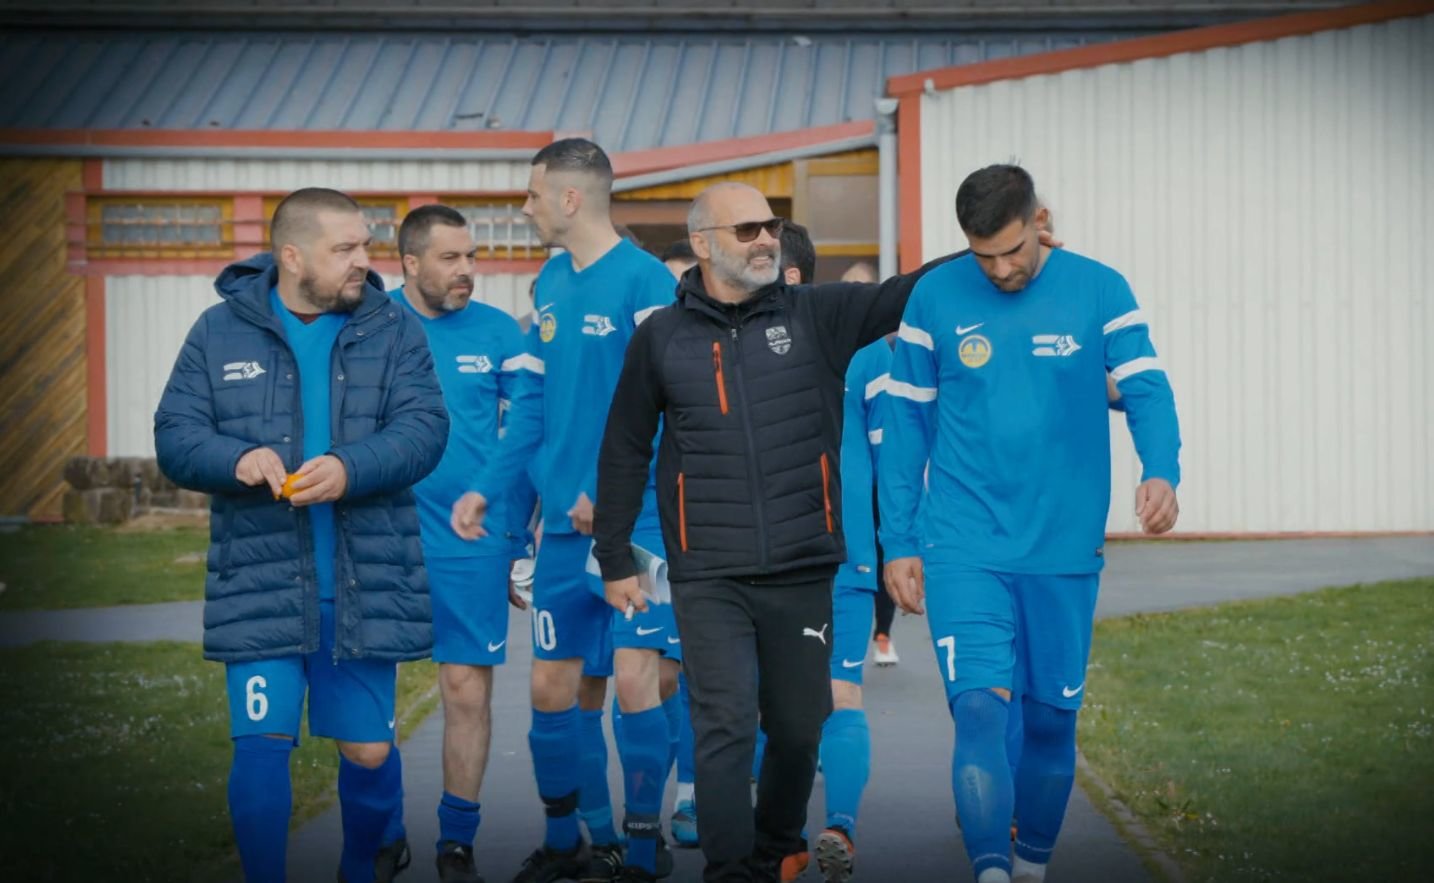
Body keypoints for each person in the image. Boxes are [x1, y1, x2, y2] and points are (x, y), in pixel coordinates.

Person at [591, 182, 954, 883]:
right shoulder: (661, 338)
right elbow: (626, 446)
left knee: (796, 728)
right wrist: (614, 557)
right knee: (724, 723)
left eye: (772, 227)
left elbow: (906, 290)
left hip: (800, 565)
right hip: (708, 573)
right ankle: (732, 870)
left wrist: (982, 250)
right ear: (703, 244)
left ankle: (774, 843)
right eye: (749, 228)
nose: (767, 239)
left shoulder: (817, 316)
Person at [879, 164, 1181, 883]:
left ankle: (1030, 863)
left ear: (1040, 220)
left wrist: (1161, 468)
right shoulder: (935, 297)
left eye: (1013, 250)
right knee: (980, 707)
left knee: (1050, 722)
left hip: (1063, 547)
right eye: (984, 255)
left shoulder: (1100, 288)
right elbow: (905, 422)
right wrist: (900, 539)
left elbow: (1145, 385)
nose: (1001, 268)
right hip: (963, 541)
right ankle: (989, 869)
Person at [154, 187, 448, 883]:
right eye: (343, 249)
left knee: (368, 753)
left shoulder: (394, 328)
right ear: (291, 255)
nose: (362, 262)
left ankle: (362, 866)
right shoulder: (217, 330)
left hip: (365, 582)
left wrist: (351, 468)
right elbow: (175, 435)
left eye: (364, 246)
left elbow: (424, 430)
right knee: (261, 744)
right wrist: (235, 458)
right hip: (259, 580)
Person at [450, 137, 682, 883]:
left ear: (572, 197)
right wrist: (490, 484)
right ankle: (571, 843)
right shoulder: (549, 283)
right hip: (560, 532)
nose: (525, 207)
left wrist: (611, 496)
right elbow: (533, 408)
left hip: (637, 522)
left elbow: (671, 410)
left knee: (639, 676)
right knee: (551, 686)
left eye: (533, 194)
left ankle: (643, 855)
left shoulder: (646, 282)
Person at [389, 204, 540, 883]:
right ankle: (380, 833)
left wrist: (517, 536)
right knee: (368, 692)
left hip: (471, 537)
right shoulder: (369, 325)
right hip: (382, 534)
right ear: (410, 262)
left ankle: (457, 841)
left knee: (464, 689)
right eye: (450, 258)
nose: (466, 271)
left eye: (470, 257)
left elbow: (528, 432)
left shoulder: (500, 330)